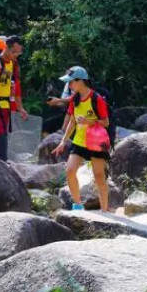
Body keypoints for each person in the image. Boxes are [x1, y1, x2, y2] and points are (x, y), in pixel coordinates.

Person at [52, 66, 110, 212]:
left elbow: (106, 122)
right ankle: (78, 205)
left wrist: (89, 121)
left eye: (71, 82)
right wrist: (63, 142)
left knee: (99, 176)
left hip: (96, 142)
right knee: (70, 171)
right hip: (79, 141)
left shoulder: (96, 99)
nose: (69, 85)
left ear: (81, 81)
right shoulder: (74, 99)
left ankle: (104, 209)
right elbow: (72, 121)